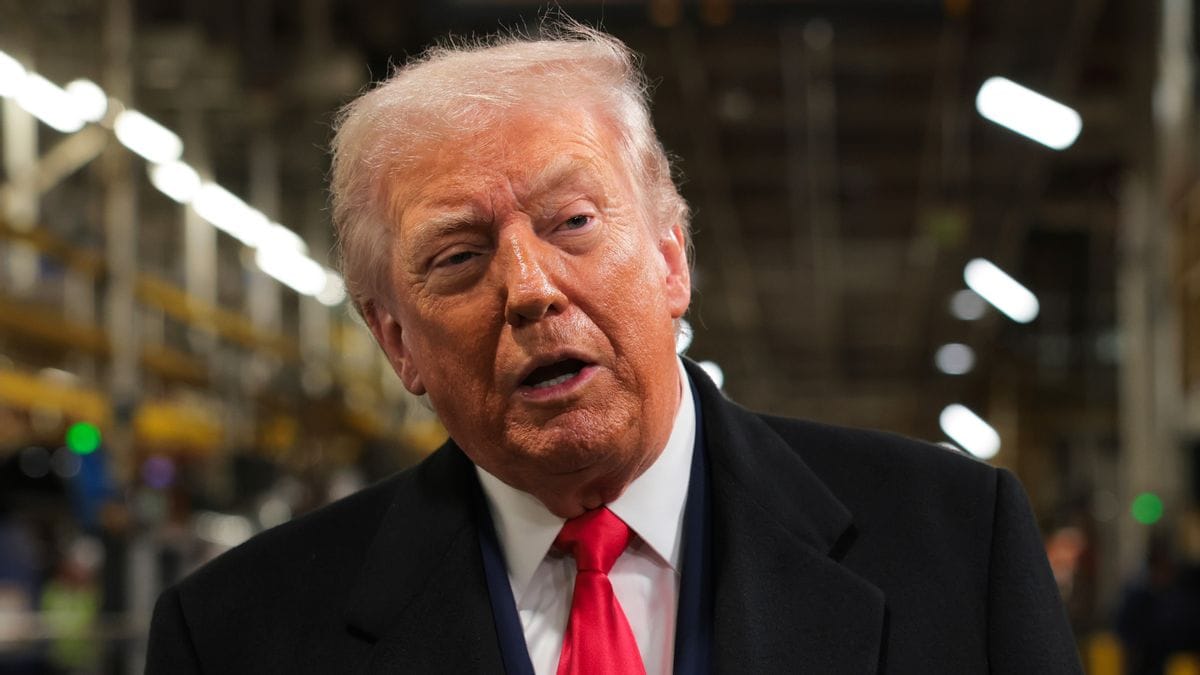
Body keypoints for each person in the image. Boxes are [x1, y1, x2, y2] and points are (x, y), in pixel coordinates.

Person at [146, 23, 1082, 674]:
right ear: (398, 341)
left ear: (671, 259)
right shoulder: (236, 636)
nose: (531, 288)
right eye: (459, 256)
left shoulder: (958, 544)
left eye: (575, 221)